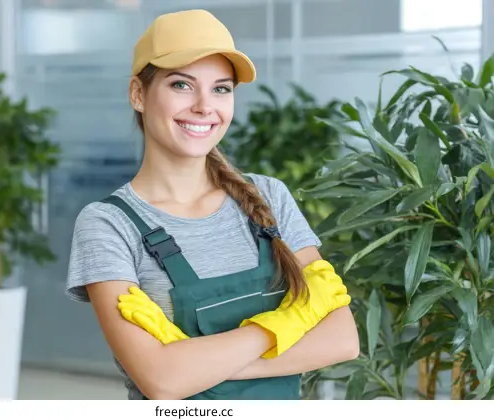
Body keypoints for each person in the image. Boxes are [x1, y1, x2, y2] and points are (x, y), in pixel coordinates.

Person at [66, 9, 359, 401]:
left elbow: (341, 340)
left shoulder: (268, 197)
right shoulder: (108, 224)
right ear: (138, 93)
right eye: (182, 85)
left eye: (221, 89)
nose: (205, 106)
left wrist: (192, 365)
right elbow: (161, 382)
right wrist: (289, 323)